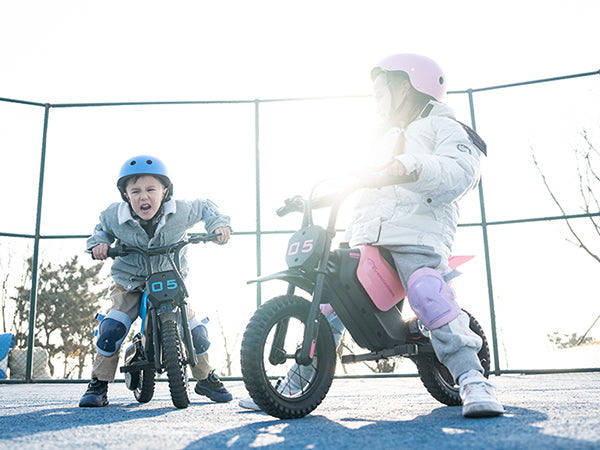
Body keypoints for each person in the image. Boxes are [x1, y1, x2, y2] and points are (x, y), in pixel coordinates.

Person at [240, 53, 503, 418]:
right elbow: (359, 177)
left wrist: (408, 166)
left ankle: (472, 378)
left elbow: (460, 172)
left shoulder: (447, 128)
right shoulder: (380, 137)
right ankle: (298, 382)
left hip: (417, 238)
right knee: (332, 299)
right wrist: (318, 198)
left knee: (428, 291)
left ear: (407, 87)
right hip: (368, 238)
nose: (377, 102)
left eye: (382, 93)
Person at [79, 155, 233, 407]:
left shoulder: (181, 210)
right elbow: (100, 230)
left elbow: (206, 205)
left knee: (196, 332)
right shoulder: (113, 215)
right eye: (135, 190)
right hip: (129, 282)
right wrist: (100, 244)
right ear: (126, 195)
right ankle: (99, 383)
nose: (143, 196)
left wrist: (218, 225)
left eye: (151, 189)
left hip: (169, 280)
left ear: (165, 191)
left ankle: (205, 378)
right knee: (111, 329)